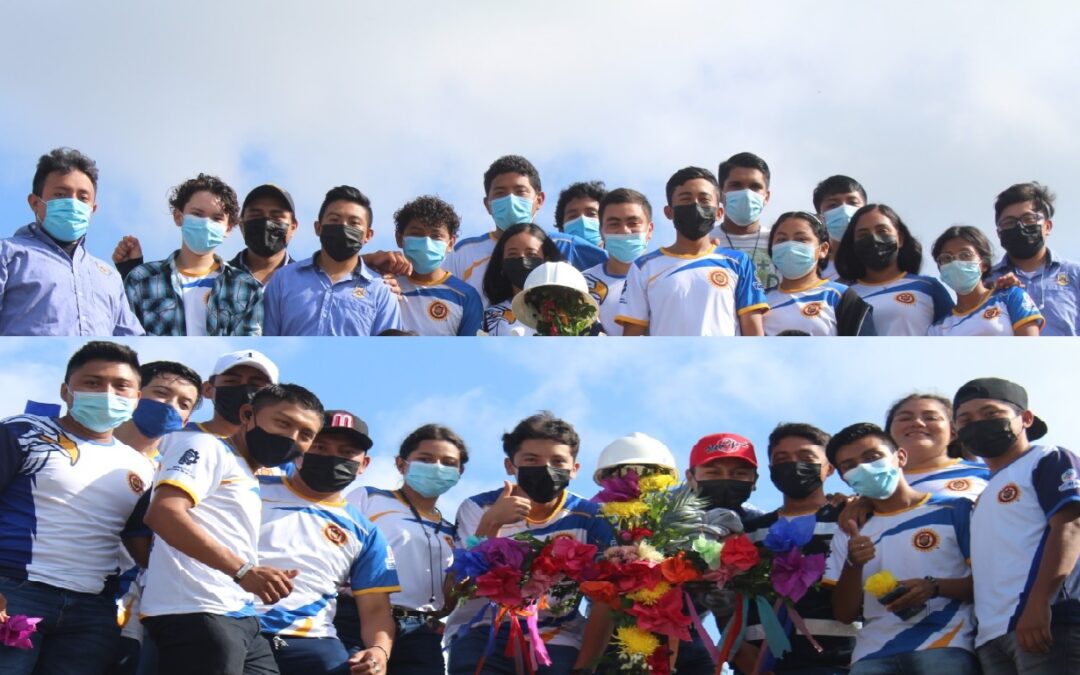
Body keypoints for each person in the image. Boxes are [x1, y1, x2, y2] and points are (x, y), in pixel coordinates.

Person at [140, 384, 325, 675]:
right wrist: (243, 571)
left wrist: (256, 573)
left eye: (305, 435)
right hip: (195, 611)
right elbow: (163, 513)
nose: (292, 437)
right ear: (248, 414)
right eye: (283, 422)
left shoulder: (247, 472)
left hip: (238, 615)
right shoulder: (207, 446)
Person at [0, 341, 152, 674]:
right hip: (13, 595)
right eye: (93, 383)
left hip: (92, 614)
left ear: (137, 398)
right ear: (66, 391)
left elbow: (141, 544)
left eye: (121, 386)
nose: (107, 393)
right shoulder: (23, 431)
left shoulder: (141, 468)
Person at [444, 412, 615, 675]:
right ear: (510, 465)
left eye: (558, 461)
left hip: (558, 636)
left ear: (575, 468)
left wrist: (585, 668)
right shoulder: (479, 507)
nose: (545, 469)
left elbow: (605, 599)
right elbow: (457, 589)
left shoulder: (591, 518)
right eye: (531, 460)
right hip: (482, 630)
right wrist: (491, 524)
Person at [823, 423, 978, 675]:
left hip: (945, 646)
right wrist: (854, 564)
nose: (863, 468)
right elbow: (844, 613)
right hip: (871, 657)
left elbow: (986, 584)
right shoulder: (849, 529)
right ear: (843, 477)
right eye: (850, 466)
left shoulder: (955, 510)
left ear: (901, 457)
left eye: (872, 457)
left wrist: (933, 587)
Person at [953, 377, 1080, 673]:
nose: (977, 424)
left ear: (1025, 418)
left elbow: (1071, 526)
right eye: (965, 419)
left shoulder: (1048, 457)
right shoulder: (981, 497)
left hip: (1048, 621)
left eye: (991, 414)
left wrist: (1039, 604)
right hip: (992, 637)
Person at [257, 410, 397, 675]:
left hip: (314, 643)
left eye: (347, 453)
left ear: (364, 464)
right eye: (320, 447)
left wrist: (379, 651)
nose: (333, 457)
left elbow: (377, 609)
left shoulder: (367, 533)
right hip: (236, 623)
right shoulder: (249, 488)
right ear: (299, 450)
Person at [344, 424, 469, 675]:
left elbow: (447, 599)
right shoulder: (368, 498)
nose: (437, 467)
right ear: (401, 464)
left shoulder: (452, 531)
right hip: (356, 617)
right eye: (425, 459)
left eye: (448, 462)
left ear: (459, 472)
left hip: (420, 632)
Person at [737, 423, 856, 675]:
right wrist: (739, 650)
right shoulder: (749, 531)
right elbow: (729, 597)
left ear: (829, 468)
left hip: (839, 664)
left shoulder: (850, 518)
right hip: (759, 667)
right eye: (782, 459)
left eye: (806, 457)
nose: (793, 464)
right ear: (771, 471)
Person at [110, 361, 203, 675]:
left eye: (183, 403)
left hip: (123, 607)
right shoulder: (77, 445)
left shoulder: (170, 477)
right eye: (161, 393)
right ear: (135, 394)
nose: (170, 406)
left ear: (187, 418)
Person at [0, 147, 143, 336]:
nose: (73, 203)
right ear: (35, 202)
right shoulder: (8, 254)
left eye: (83, 198)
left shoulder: (109, 277)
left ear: (93, 209)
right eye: (60, 195)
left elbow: (132, 338)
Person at [617, 167, 768, 336]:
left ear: (719, 212)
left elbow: (753, 331)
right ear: (669, 212)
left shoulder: (739, 262)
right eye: (686, 198)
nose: (695, 205)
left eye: (704, 199)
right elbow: (633, 334)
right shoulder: (643, 267)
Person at [444, 156, 605, 303]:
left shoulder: (566, 246)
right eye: (500, 193)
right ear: (487, 204)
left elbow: (620, 271)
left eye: (520, 192)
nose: (511, 199)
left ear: (539, 200)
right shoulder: (463, 254)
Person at [123, 174, 264, 336]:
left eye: (217, 218)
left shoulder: (247, 287)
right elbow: (126, 334)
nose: (206, 223)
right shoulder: (141, 279)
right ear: (178, 216)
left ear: (228, 228)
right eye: (197, 214)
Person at [263, 185, 402, 335]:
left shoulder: (381, 291)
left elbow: (387, 350)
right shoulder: (283, 279)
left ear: (368, 235)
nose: (343, 226)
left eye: (354, 223)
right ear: (318, 228)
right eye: (334, 219)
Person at [835, 204, 954, 335]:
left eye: (882, 231)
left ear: (900, 238)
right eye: (863, 234)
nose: (874, 239)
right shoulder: (842, 294)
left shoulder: (928, 287)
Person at [987, 182, 1079, 336]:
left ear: (1048, 226)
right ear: (999, 233)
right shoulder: (987, 281)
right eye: (1009, 222)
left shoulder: (1075, 274)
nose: (1019, 227)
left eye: (1028, 219)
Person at [763, 211, 875, 336]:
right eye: (782, 240)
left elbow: (864, 350)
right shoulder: (760, 300)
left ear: (823, 249)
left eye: (801, 239)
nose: (790, 246)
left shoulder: (840, 296)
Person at [157, 349, 279, 458]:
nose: (244, 390)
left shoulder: (278, 457)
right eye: (232, 381)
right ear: (207, 389)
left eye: (256, 385)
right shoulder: (169, 439)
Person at [393, 195, 483, 336]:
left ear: (451, 243)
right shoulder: (386, 285)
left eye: (436, 236)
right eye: (417, 234)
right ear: (399, 238)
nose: (427, 243)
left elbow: (469, 352)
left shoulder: (466, 296)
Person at [929, 225, 1043, 336]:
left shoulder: (1011, 297)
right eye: (946, 258)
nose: (956, 263)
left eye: (966, 255)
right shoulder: (938, 329)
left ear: (984, 265)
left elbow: (1031, 350)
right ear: (941, 269)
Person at [884, 393, 988, 499]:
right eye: (905, 418)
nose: (917, 423)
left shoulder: (987, 475)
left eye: (931, 418)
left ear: (953, 432)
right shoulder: (872, 490)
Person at [582, 188, 655, 336]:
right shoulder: (581, 284)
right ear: (601, 231)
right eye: (614, 224)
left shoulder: (667, 278)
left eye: (633, 223)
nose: (625, 230)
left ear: (650, 230)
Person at [480, 223, 564, 336]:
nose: (522, 259)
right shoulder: (490, 317)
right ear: (501, 263)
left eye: (531, 254)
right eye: (512, 254)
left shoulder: (569, 309)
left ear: (546, 261)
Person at [713, 152, 777, 289]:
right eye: (736, 185)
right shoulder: (704, 242)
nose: (747, 193)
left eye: (755, 187)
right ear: (719, 193)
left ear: (766, 197)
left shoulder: (779, 243)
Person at [685, 433, 765, 522]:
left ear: (755, 481)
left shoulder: (765, 530)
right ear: (690, 478)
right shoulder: (667, 521)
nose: (726, 479)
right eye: (713, 473)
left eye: (740, 473)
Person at [812, 175, 868, 281]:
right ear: (820, 217)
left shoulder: (885, 264)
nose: (844, 210)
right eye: (833, 205)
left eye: (853, 203)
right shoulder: (811, 272)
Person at [553, 180, 606, 247]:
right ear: (561, 229)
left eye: (591, 214)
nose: (582, 220)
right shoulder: (546, 256)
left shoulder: (621, 256)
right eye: (573, 216)